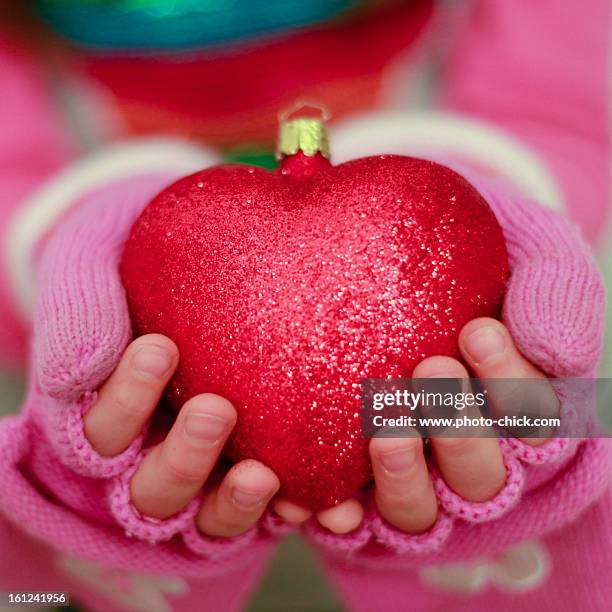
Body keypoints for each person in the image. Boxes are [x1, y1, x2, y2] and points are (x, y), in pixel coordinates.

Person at [0, 1, 609, 610]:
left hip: (451, 356)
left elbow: (565, 85)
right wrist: (58, 233)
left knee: (548, 414)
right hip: (125, 399)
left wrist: (478, 205)